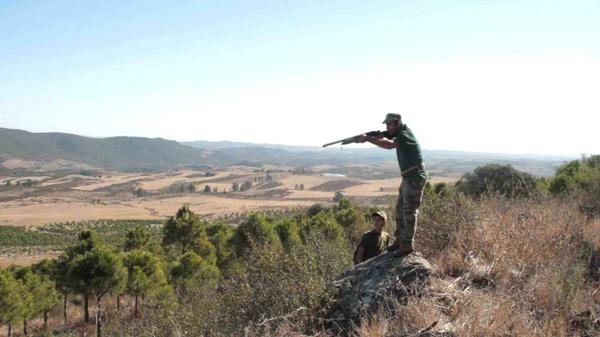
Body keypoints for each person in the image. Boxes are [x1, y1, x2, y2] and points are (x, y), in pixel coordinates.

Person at [357, 113, 427, 255]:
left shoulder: (404, 135)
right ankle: (400, 239)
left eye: (389, 124)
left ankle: (407, 243)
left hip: (414, 177)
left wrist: (369, 139)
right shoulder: (400, 133)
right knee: (400, 209)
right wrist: (377, 136)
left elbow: (390, 145)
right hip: (408, 177)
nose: (387, 127)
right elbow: (388, 137)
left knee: (409, 211)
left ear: (396, 123)